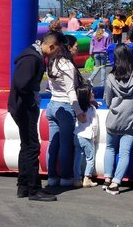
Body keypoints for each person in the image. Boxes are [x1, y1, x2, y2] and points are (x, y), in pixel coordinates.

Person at [8, 31, 63, 201]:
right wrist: (31, 100)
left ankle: (23, 185)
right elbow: (20, 82)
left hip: (20, 106)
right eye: (56, 51)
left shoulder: (32, 55)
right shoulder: (32, 58)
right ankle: (34, 189)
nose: (55, 54)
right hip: (23, 107)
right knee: (32, 146)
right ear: (51, 46)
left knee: (26, 145)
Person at [103, 43, 133, 195]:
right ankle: (116, 182)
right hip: (132, 121)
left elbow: (107, 101)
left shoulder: (110, 77)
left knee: (110, 148)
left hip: (113, 120)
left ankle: (107, 179)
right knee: (125, 152)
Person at [46, 42, 87, 188]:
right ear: (69, 48)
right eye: (76, 46)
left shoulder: (53, 62)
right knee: (65, 144)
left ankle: (51, 176)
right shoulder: (67, 65)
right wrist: (79, 111)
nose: (77, 49)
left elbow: (50, 86)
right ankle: (65, 177)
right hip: (64, 106)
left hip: (52, 104)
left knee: (53, 143)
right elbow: (71, 91)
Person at [72, 83, 100, 188]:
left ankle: (76, 179)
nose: (93, 93)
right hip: (87, 136)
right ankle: (87, 178)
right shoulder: (91, 109)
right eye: (91, 92)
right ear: (87, 96)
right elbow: (94, 124)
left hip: (77, 135)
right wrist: (95, 135)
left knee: (78, 158)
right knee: (90, 157)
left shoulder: (77, 107)